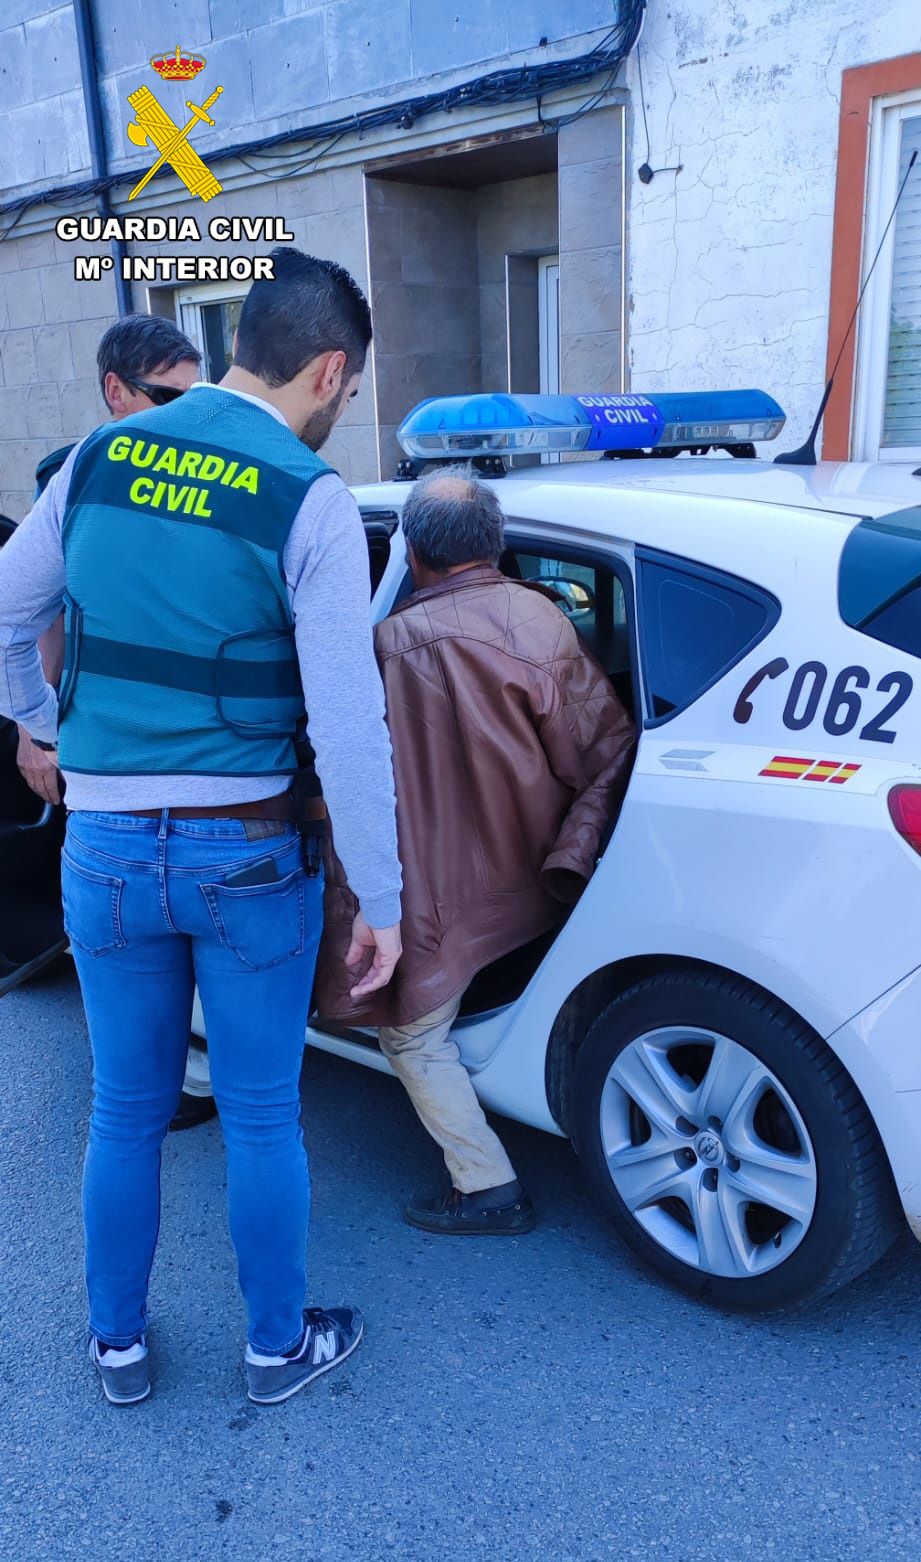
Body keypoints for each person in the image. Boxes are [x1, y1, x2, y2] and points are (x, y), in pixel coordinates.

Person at [0, 249, 403, 1407]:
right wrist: (381, 895)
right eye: (350, 390)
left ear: (241, 343)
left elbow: (6, 607)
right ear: (328, 369)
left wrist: (42, 730)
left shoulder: (97, 456)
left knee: (123, 1110)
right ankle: (277, 1346)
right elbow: (349, 721)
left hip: (108, 853)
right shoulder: (309, 495)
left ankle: (116, 1346)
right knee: (265, 1112)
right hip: (251, 856)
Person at [316, 467, 635, 1235]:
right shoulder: (544, 621)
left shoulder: (384, 647)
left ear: (413, 552)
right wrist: (570, 853)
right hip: (527, 878)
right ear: (491, 547)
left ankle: (487, 1185)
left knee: (412, 1035)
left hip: (443, 894)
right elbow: (602, 751)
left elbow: (353, 790)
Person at [15, 314, 202, 809]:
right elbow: (40, 611)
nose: (184, 414)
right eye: (167, 397)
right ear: (116, 391)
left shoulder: (209, 472)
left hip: (207, 748)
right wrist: (36, 731)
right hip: (103, 748)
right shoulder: (74, 476)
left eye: (195, 398)